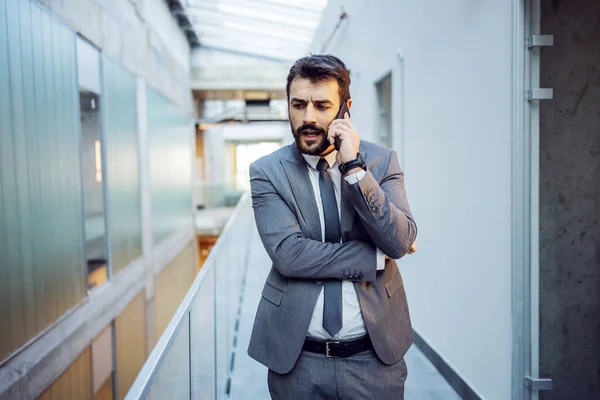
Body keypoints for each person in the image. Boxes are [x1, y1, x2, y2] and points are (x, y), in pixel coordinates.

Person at [247, 54, 417, 400]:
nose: (308, 117)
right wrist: (372, 257)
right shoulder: (266, 171)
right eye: (298, 105)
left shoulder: (381, 162)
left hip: (374, 359)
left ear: (345, 108)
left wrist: (354, 168)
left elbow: (399, 241)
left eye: (321, 106)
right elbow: (289, 256)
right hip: (297, 360)